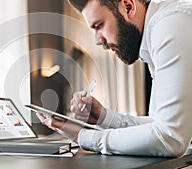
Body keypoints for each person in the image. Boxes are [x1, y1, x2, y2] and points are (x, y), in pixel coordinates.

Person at [36, 0, 192, 157]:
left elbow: (169, 138)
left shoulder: (169, 25)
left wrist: (82, 137)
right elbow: (160, 124)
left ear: (128, 6)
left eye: (99, 26)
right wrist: (103, 117)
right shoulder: (159, 28)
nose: (98, 41)